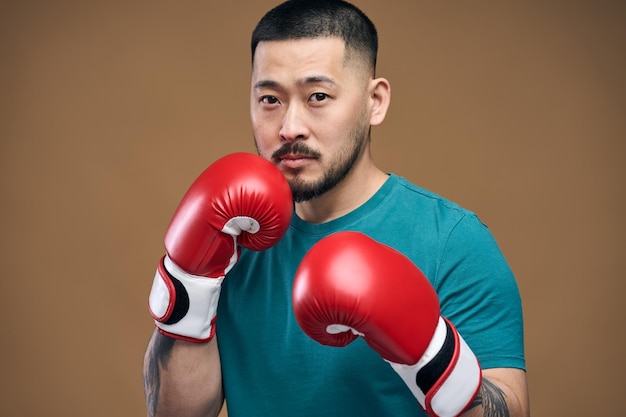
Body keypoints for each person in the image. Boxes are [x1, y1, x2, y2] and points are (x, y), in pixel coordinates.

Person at [143, 1, 530, 416]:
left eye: (318, 96)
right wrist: (189, 281)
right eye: (270, 99)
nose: (290, 127)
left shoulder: (452, 242)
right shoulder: (230, 233)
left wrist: (428, 351)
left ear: (374, 102)